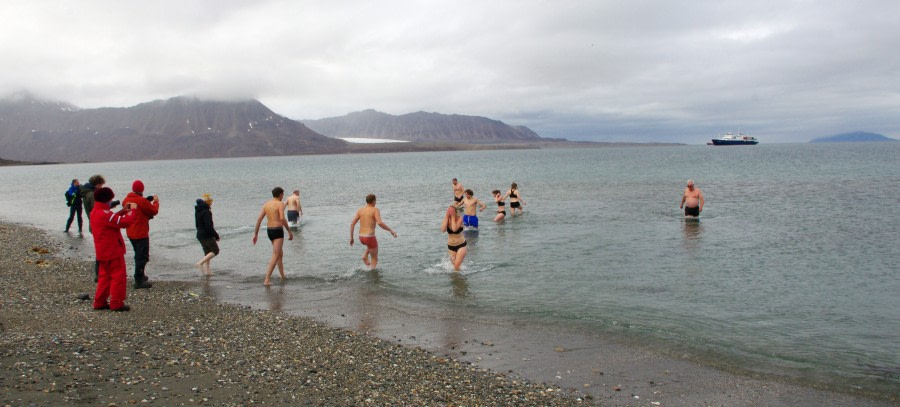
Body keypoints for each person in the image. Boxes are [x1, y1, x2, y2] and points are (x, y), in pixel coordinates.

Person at [90, 187, 139, 312]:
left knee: (104, 277)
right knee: (118, 277)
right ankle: (116, 303)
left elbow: (112, 220)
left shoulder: (96, 212)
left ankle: (99, 301)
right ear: (107, 199)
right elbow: (125, 222)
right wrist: (132, 211)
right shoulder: (105, 214)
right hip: (112, 251)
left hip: (102, 251)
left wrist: (123, 210)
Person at [252, 187, 293, 286]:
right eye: (282, 194)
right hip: (278, 231)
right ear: (279, 194)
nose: (283, 196)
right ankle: (267, 279)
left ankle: (282, 275)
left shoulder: (266, 204)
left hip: (269, 231)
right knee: (275, 254)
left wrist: (256, 234)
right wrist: (289, 231)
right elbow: (282, 219)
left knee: (279, 253)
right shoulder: (280, 204)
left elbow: (259, 220)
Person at [122, 180, 159, 289]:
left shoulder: (126, 199)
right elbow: (153, 211)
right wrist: (155, 202)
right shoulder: (141, 201)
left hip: (130, 231)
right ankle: (138, 280)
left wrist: (146, 200)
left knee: (139, 255)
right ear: (142, 189)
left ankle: (141, 275)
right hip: (140, 232)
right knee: (142, 257)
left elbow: (133, 208)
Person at [349, 194, 397, 270]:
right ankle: (372, 273)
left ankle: (365, 256)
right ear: (374, 201)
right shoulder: (375, 210)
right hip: (369, 237)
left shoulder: (360, 210)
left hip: (361, 237)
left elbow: (352, 224)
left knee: (371, 246)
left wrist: (351, 238)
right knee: (374, 258)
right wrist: (391, 230)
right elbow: (380, 223)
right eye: (375, 201)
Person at [80, 174, 105, 281]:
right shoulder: (92, 195)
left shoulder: (87, 193)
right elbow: (98, 210)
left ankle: (99, 273)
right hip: (97, 225)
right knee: (101, 250)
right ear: (97, 184)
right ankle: (98, 274)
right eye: (101, 185)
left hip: (93, 224)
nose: (102, 187)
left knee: (100, 249)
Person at [195, 193, 219, 276]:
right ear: (207, 202)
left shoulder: (198, 210)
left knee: (207, 252)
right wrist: (216, 236)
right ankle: (200, 263)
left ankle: (207, 271)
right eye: (210, 201)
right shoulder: (206, 212)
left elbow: (197, 224)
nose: (211, 203)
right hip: (206, 235)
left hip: (199, 234)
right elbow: (209, 226)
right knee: (215, 251)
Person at [442, 206, 468, 271]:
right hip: (451, 246)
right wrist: (446, 217)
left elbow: (454, 229)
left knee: (456, 266)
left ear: (455, 212)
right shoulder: (447, 219)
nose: (450, 213)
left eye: (451, 212)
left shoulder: (460, 218)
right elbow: (443, 230)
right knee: (454, 266)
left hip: (461, 245)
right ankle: (458, 279)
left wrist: (453, 217)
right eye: (449, 211)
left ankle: (458, 279)